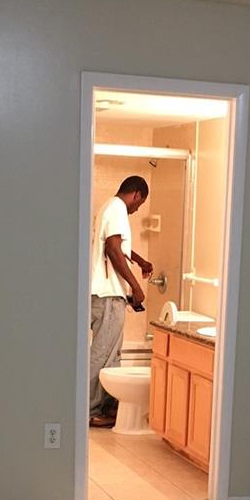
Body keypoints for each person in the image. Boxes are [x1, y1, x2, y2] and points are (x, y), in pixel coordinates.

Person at [89, 175, 153, 427]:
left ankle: (105, 408)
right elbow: (113, 249)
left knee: (111, 354)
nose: (137, 209)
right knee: (103, 354)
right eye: (140, 203)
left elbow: (116, 245)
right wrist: (136, 287)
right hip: (108, 295)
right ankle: (89, 410)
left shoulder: (107, 207)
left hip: (102, 293)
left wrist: (139, 260)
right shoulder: (118, 209)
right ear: (136, 194)